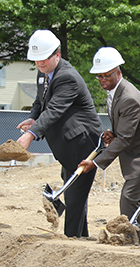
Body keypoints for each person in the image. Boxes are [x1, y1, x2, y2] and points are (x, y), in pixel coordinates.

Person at [78, 47, 140, 245]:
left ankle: (127, 242)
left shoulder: (128, 97)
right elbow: (125, 132)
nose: (102, 79)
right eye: (99, 76)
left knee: (129, 198)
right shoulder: (114, 92)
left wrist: (95, 163)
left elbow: (126, 138)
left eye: (107, 75)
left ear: (118, 72)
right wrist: (114, 133)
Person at [16, 30, 102, 238]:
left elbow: (54, 110)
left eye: (44, 58)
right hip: (68, 144)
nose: (40, 63)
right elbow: (41, 102)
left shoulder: (67, 78)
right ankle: (79, 237)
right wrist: (33, 118)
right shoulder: (43, 73)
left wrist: (31, 135)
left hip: (83, 144)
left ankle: (71, 239)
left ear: (58, 54)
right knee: (74, 194)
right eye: (36, 59)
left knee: (74, 196)